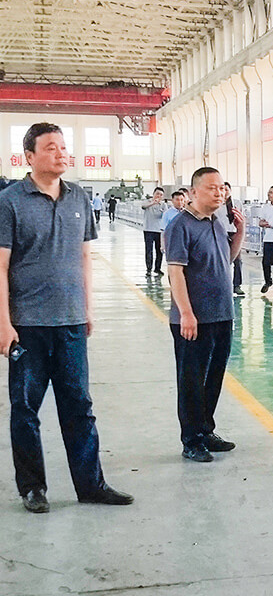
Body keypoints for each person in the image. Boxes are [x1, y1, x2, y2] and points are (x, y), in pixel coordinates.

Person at [0, 122, 133, 513]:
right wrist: (4, 322)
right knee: (26, 410)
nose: (61, 153)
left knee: (79, 406)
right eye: (51, 147)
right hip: (28, 325)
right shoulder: (9, 202)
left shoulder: (78, 197)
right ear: (29, 156)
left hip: (71, 322)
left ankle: (91, 485)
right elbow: (1, 265)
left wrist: (87, 308)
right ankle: (32, 488)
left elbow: (84, 257)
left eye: (64, 147)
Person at [163, 167, 245, 462]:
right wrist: (186, 313)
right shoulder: (180, 226)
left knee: (214, 378)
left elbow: (227, 260)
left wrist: (241, 232)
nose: (219, 193)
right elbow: (175, 272)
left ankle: (206, 430)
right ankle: (192, 440)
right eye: (212, 188)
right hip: (194, 319)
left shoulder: (217, 222)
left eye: (222, 188)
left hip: (221, 314)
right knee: (191, 381)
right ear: (193, 192)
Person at [223, 182, 245, 296]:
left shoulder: (237, 203)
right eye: (222, 189)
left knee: (238, 259)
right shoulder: (216, 204)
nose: (224, 192)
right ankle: (223, 284)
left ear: (230, 191)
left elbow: (242, 218)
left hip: (235, 233)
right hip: (221, 234)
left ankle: (237, 285)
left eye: (226, 189)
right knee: (222, 261)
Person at [141, 187, 167, 276]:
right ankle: (149, 269)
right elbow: (143, 207)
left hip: (159, 230)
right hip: (148, 229)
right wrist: (153, 203)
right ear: (153, 194)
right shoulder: (147, 202)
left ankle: (157, 268)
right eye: (157, 194)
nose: (159, 196)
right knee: (149, 250)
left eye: (161, 195)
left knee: (159, 250)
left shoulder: (163, 205)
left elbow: (165, 215)